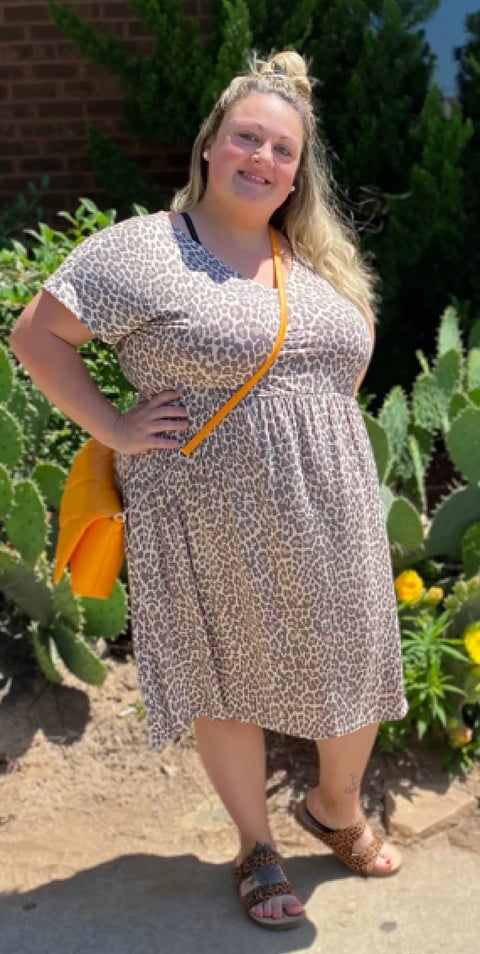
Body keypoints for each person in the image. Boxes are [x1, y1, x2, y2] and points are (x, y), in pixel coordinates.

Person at [10, 50, 407, 931]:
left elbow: (351, 354)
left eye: (283, 150)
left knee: (359, 664)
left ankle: (334, 807)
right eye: (247, 138)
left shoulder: (315, 259)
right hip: (202, 506)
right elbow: (36, 334)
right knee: (226, 676)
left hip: (330, 509)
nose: (263, 159)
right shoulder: (146, 249)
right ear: (210, 146)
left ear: (298, 172)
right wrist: (112, 428)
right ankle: (256, 846)